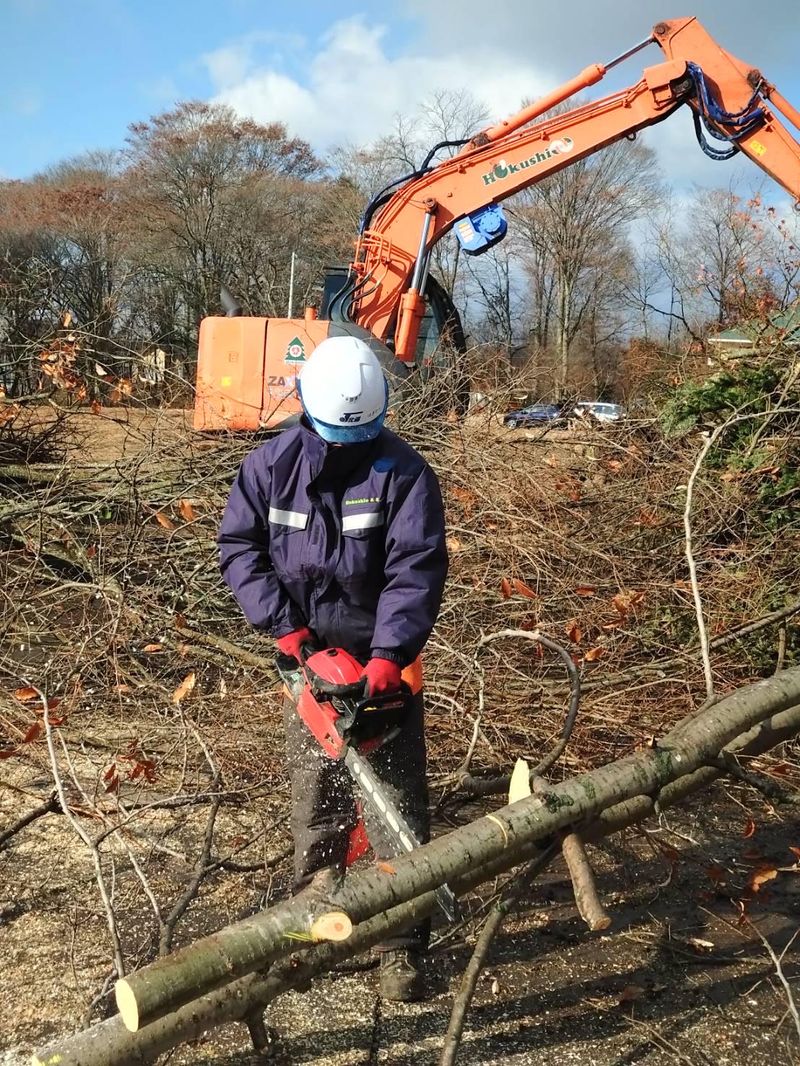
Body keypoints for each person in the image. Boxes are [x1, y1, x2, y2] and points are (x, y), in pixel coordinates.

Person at [218, 335, 448, 1001]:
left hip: (385, 661)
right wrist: (289, 634)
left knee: (396, 808)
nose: (349, 447)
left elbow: (415, 569)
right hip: (308, 660)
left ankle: (402, 945)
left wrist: (387, 657)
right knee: (317, 798)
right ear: (309, 410)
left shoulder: (403, 474)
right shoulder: (270, 468)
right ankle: (311, 917)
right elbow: (239, 547)